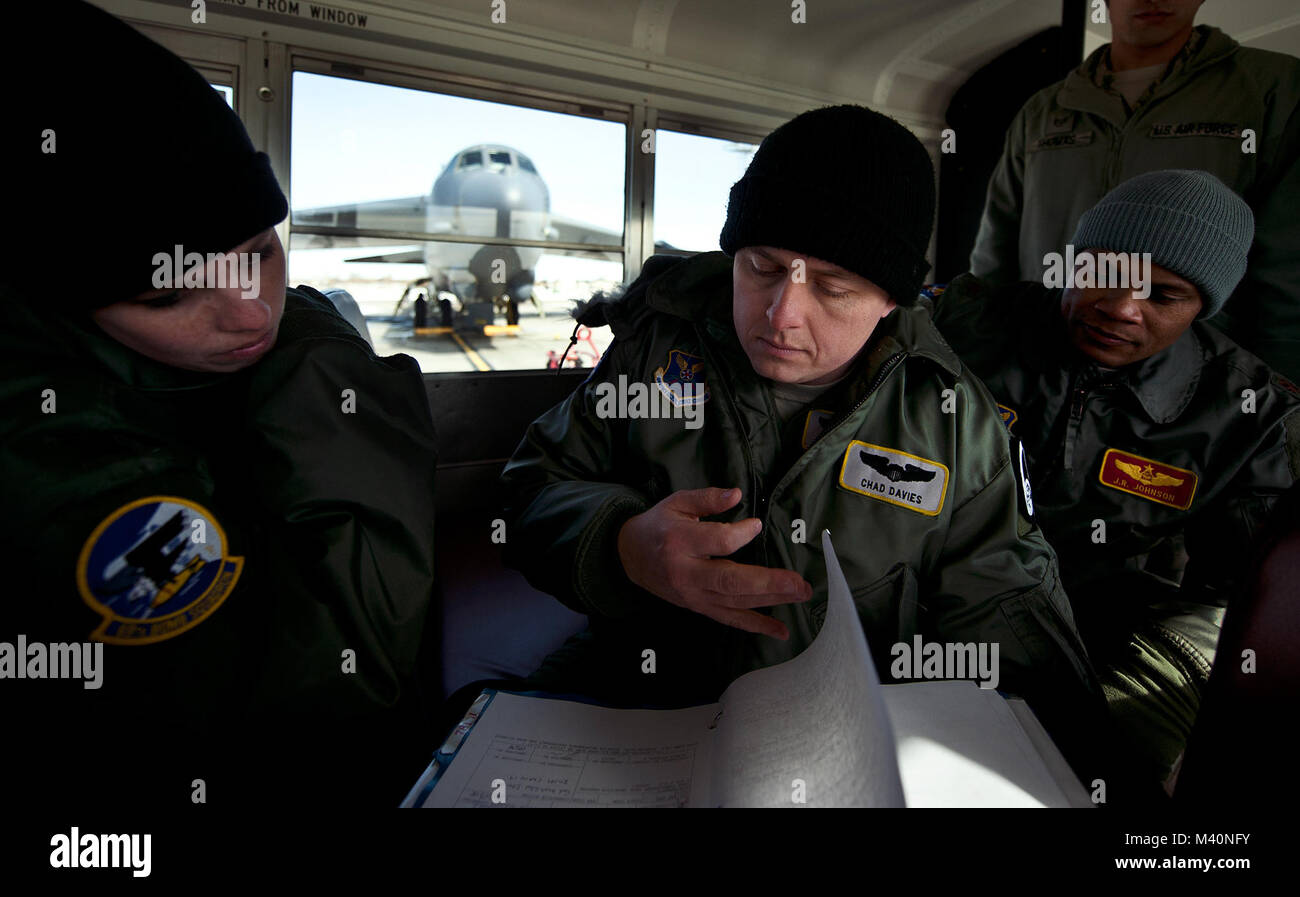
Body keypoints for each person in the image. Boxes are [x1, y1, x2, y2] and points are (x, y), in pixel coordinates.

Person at [498, 105, 1101, 774]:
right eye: (762, 266)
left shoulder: (954, 423)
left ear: (892, 302)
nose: (782, 314)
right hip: (635, 705)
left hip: (838, 747)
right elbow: (530, 489)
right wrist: (620, 546)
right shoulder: (657, 349)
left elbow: (1014, 638)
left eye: (835, 287)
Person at [2, 1, 439, 806]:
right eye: (170, 292)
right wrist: (322, 357)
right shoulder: (44, 444)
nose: (250, 311)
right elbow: (343, 680)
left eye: (258, 252)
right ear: (64, 303)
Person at [932, 169, 1300, 795]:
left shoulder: (1248, 417)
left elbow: (1238, 597)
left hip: (1105, 630)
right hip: (929, 600)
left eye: (1163, 296)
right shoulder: (960, 325)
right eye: (1107, 273)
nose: (1122, 308)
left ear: (1202, 306)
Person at [969, 0, 1300, 380]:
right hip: (1040, 366)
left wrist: (1270, 402)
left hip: (1194, 390)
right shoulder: (1043, 110)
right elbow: (995, 249)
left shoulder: (1274, 91)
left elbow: (1288, 277)